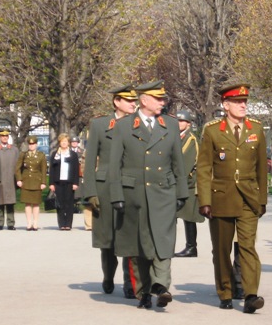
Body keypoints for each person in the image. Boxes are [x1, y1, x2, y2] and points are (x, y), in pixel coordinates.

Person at [108, 80, 188, 309]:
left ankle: (161, 286)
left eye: (163, 98)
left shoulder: (170, 125)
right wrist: (116, 195)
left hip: (164, 190)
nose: (163, 102)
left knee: (163, 239)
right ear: (144, 101)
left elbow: (177, 161)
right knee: (141, 246)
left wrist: (182, 191)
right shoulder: (124, 126)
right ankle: (143, 292)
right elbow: (115, 164)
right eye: (158, 98)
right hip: (135, 193)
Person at [197, 83, 268, 313]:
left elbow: (262, 170)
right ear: (225, 105)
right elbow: (205, 168)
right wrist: (204, 200)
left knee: (248, 247)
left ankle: (250, 295)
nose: (243, 105)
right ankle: (226, 291)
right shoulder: (212, 130)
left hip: (248, 197)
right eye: (238, 102)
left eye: (245, 102)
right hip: (221, 197)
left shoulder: (256, 129)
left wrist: (262, 199)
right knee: (222, 249)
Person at [81, 84, 138, 297]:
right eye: (129, 100)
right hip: (105, 188)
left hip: (129, 184)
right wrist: (90, 192)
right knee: (108, 240)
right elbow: (89, 161)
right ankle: (108, 275)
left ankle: (130, 283)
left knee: (129, 235)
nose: (134, 103)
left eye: (135, 100)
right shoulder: (100, 124)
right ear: (117, 102)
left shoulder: (138, 123)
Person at [174, 109, 204, 258]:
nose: (179, 123)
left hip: (188, 183)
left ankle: (191, 247)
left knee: (189, 216)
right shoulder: (177, 137)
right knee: (183, 216)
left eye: (182, 121)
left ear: (188, 123)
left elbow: (184, 164)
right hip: (182, 183)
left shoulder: (190, 139)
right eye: (177, 121)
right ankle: (189, 246)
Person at [48, 133, 80, 230]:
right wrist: (51, 183)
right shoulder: (55, 154)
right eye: (62, 142)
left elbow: (75, 170)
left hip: (70, 182)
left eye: (65, 142)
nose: (64, 143)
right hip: (58, 182)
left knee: (69, 203)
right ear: (59, 143)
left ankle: (68, 224)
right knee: (60, 203)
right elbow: (52, 170)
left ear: (68, 143)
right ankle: (62, 224)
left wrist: (75, 183)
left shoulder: (73, 155)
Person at [15, 136, 48, 231]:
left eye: (33, 144)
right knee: (27, 204)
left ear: (36, 145)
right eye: (30, 144)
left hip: (36, 181)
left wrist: (43, 182)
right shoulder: (23, 154)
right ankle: (29, 222)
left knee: (36, 203)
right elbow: (17, 168)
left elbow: (43, 170)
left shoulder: (41, 155)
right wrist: (19, 179)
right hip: (26, 181)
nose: (31, 146)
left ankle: (35, 222)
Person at [0, 128, 18, 230]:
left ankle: (11, 223)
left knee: (10, 202)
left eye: (6, 136)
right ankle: (0, 223)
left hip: (10, 179)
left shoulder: (14, 149)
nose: (4, 138)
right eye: (2, 136)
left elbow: (17, 165)